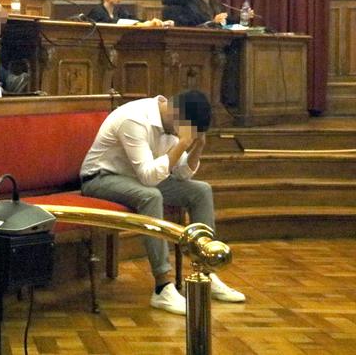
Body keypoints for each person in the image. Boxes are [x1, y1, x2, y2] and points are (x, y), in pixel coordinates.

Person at [79, 90, 245, 314]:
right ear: (177, 115)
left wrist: (197, 146)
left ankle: (207, 272)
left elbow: (182, 174)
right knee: (151, 196)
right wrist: (182, 142)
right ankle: (162, 286)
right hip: (100, 178)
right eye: (186, 130)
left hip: (138, 179)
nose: (182, 136)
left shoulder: (173, 123)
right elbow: (148, 177)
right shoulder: (135, 119)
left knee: (201, 191)